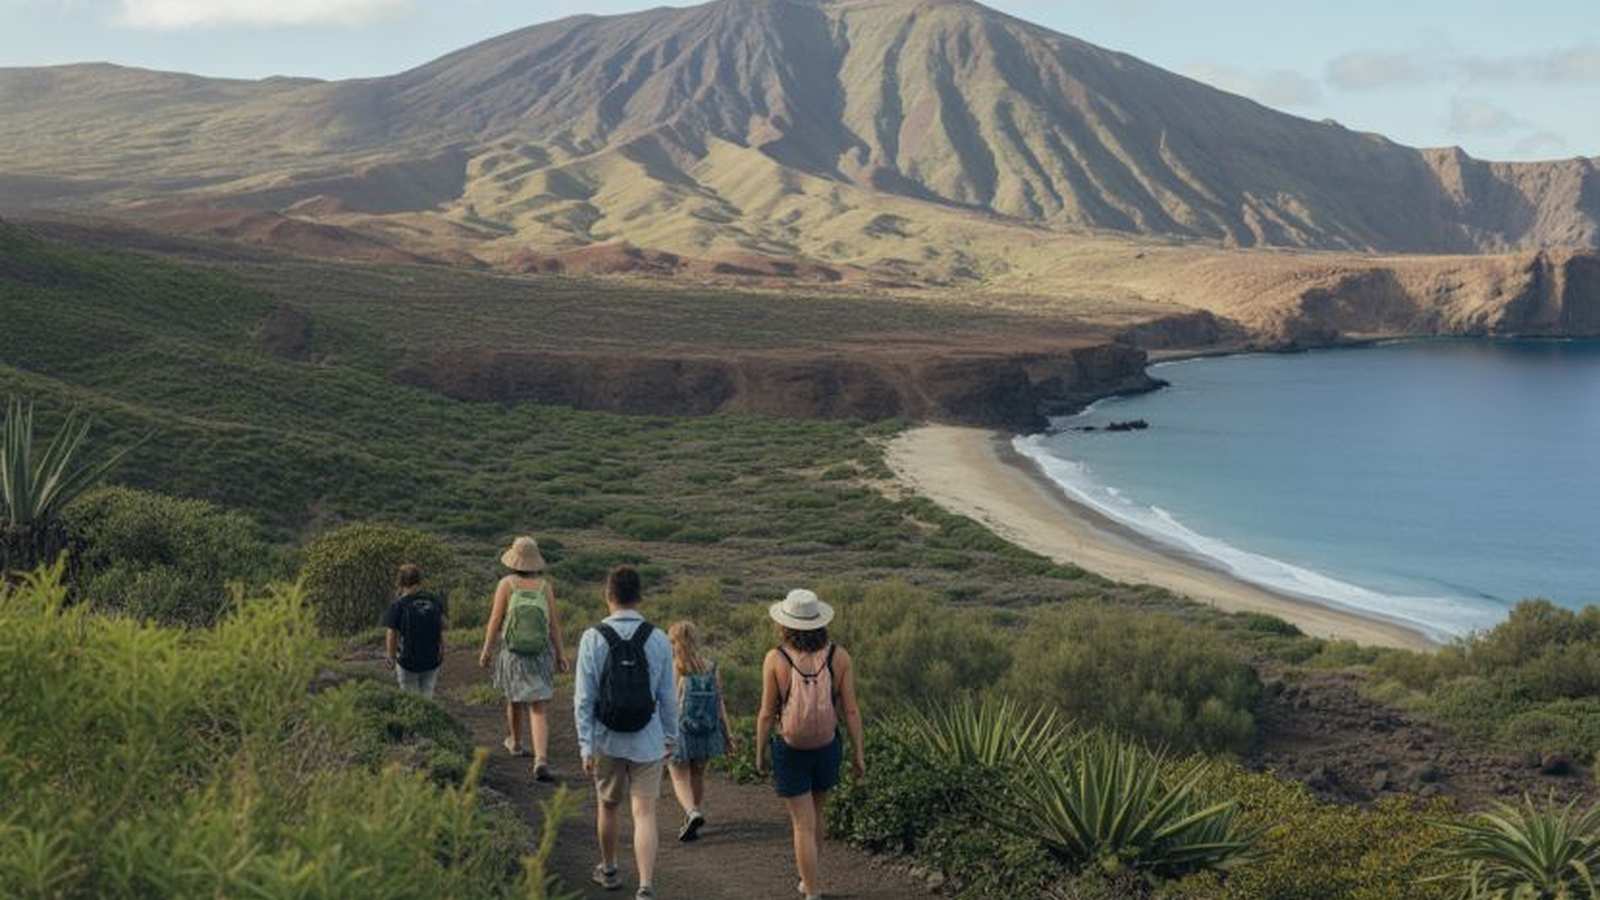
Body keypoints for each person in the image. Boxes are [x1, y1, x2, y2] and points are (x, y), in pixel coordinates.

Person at [574, 566, 678, 900]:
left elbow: (584, 698)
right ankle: (646, 885)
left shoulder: (592, 637)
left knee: (608, 805)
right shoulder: (658, 637)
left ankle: (609, 869)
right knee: (644, 813)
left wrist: (586, 746)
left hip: (606, 738)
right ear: (639, 596)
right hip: (648, 739)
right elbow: (667, 696)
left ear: (608, 595)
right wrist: (670, 737)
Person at [755, 589, 866, 900]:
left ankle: (812, 891)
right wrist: (859, 753)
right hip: (826, 745)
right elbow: (852, 710)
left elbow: (766, 713)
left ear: (786, 624)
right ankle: (810, 880)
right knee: (817, 816)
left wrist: (760, 753)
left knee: (801, 824)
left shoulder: (775, 659)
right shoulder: (839, 656)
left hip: (790, 748)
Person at [479, 536, 568, 783]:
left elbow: (495, 621)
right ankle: (541, 759)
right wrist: (561, 654)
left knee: (514, 698)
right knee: (538, 706)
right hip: (540, 652)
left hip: (513, 651)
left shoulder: (506, 584)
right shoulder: (544, 587)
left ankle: (516, 743)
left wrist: (486, 650)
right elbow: (554, 626)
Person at [665, 621, 735, 843]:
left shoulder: (675, 667)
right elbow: (720, 703)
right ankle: (692, 816)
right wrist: (728, 734)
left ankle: (692, 813)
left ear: (676, 642)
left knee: (678, 775)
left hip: (682, 730)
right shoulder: (711, 666)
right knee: (697, 774)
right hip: (707, 730)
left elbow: (671, 703)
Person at [382, 564, 448, 698]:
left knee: (410, 698)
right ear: (419, 580)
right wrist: (441, 649)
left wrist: (391, 656)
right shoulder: (434, 600)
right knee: (427, 696)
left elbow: (392, 633)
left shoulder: (398, 605)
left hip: (407, 661)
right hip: (432, 658)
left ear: (400, 582)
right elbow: (441, 626)